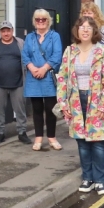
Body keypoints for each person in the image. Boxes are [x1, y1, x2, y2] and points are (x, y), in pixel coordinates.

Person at [56, 16, 104, 195]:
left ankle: (101, 180)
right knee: (82, 142)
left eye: (88, 27)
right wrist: (63, 103)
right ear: (77, 30)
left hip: (96, 100)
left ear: (94, 31)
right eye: (81, 27)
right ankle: (87, 178)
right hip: (76, 100)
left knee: (97, 142)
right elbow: (62, 78)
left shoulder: (102, 52)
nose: (85, 30)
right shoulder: (70, 51)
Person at [22, 8, 63, 151]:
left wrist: (44, 69)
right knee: (37, 109)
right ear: (34, 21)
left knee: (51, 109)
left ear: (48, 21)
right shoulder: (29, 38)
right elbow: (25, 55)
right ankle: (38, 137)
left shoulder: (55, 36)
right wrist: (33, 68)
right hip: (33, 77)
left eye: (43, 19)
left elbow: (57, 55)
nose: (40, 22)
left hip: (48, 77)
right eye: (38, 19)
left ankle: (52, 137)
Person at [0, 21, 31, 145]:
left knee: (20, 110)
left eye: (8, 30)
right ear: (0, 32)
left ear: (12, 31)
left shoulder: (20, 43)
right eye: (3, 31)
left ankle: (22, 132)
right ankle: (0, 133)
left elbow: (27, 58)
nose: (6, 33)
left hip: (18, 83)